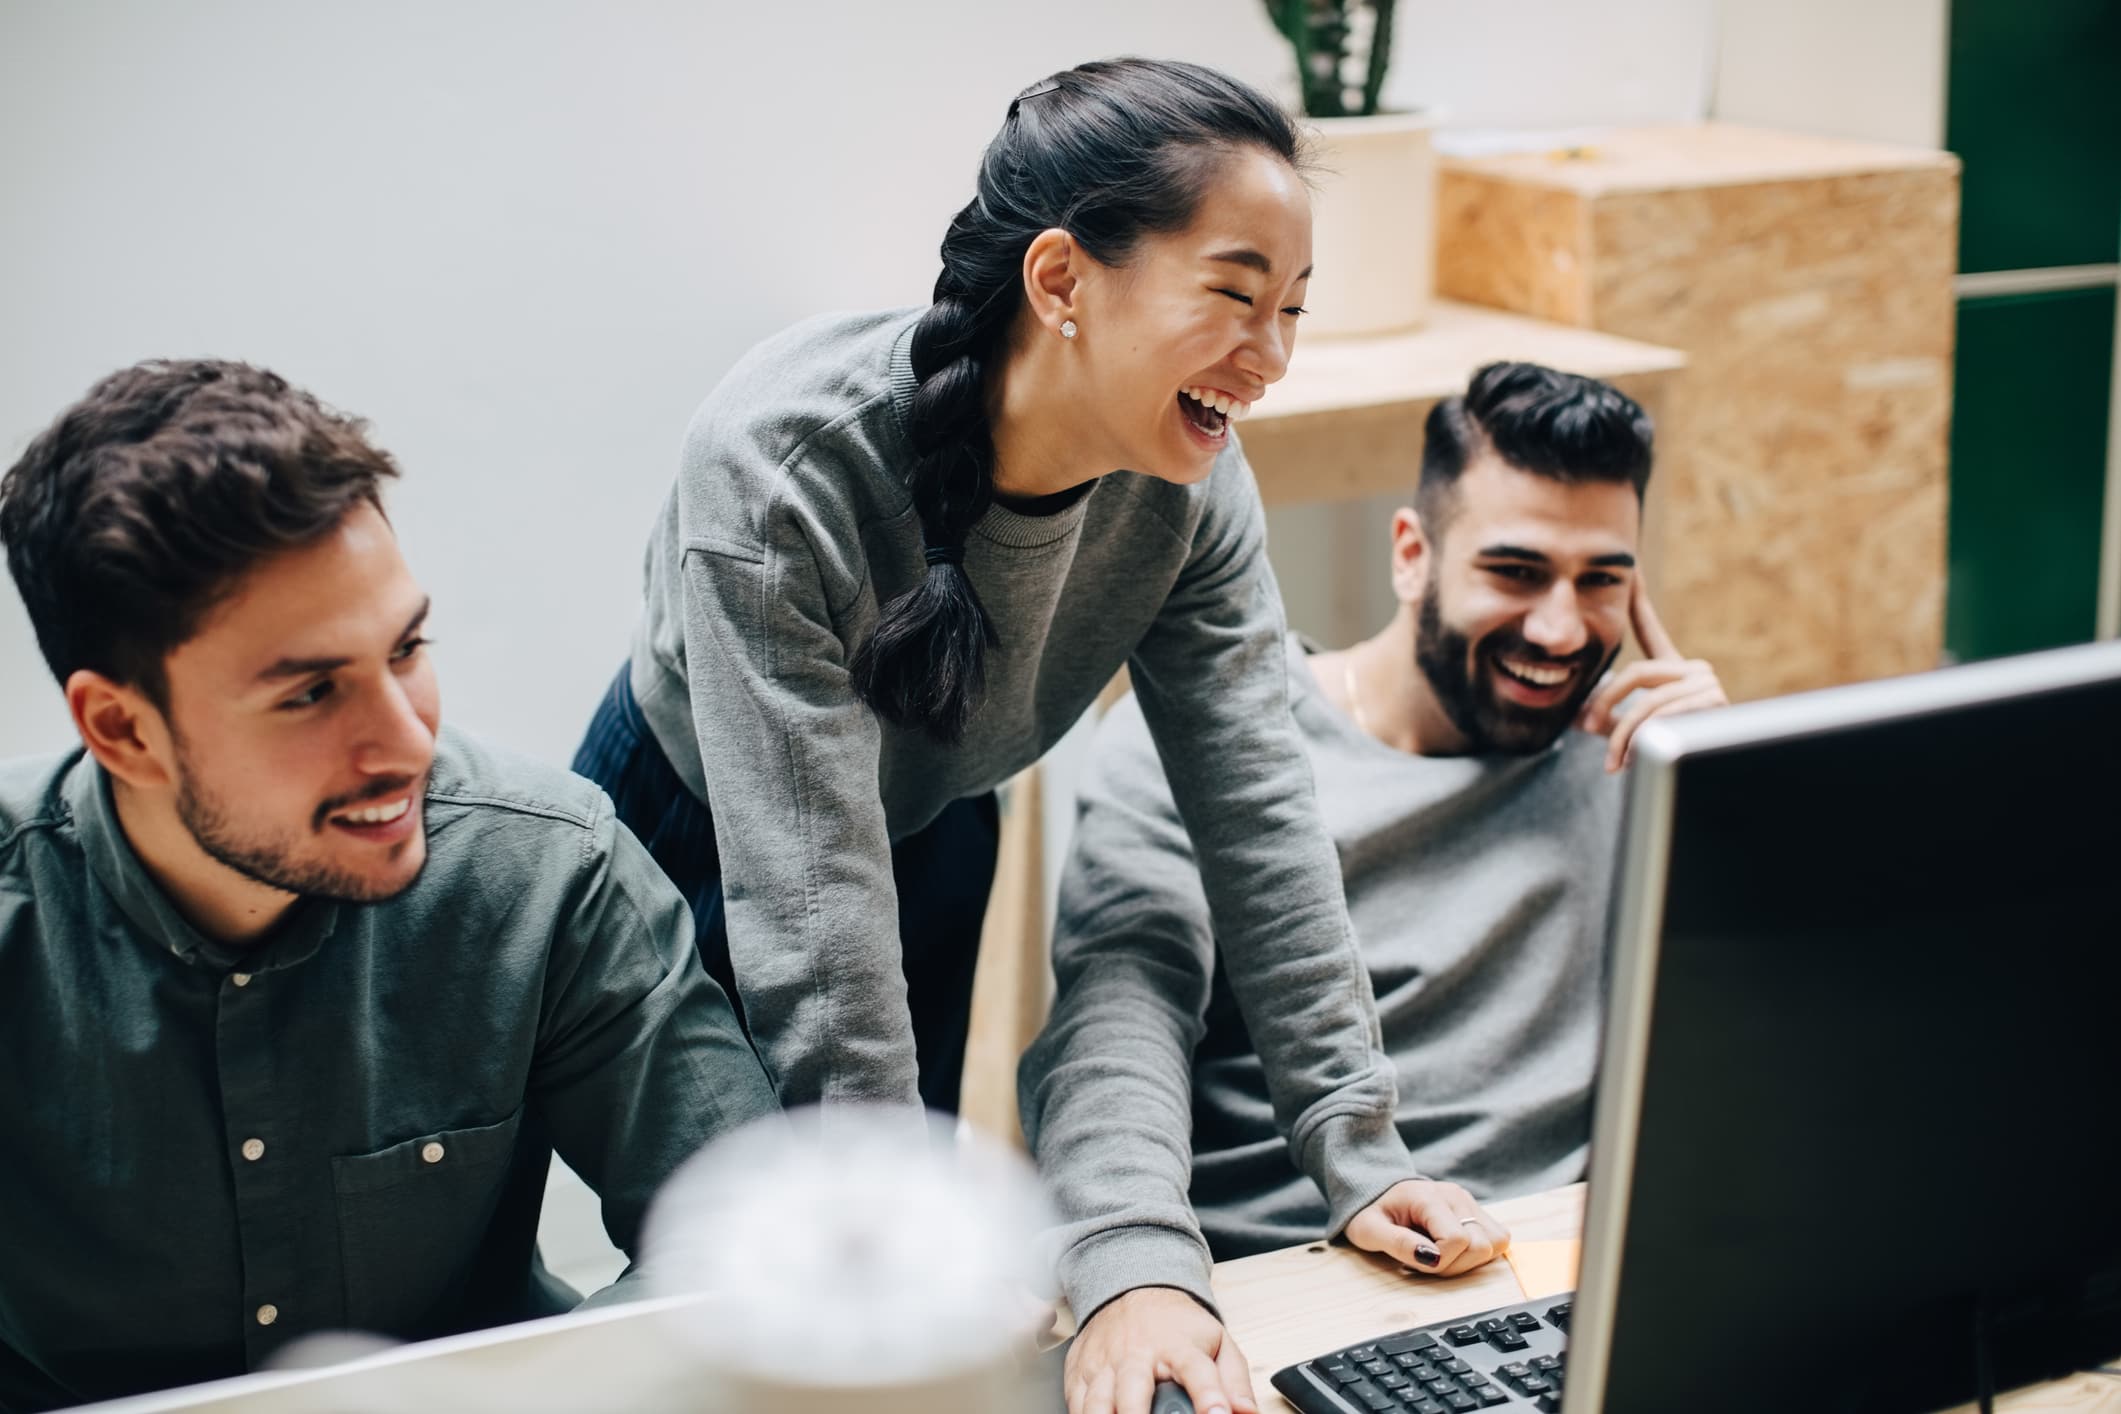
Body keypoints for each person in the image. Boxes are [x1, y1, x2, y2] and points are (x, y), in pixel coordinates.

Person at [0, 361, 780, 1412]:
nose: (406, 743)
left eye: (406, 648)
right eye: (313, 691)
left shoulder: (545, 869)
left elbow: (740, 1246)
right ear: (122, 729)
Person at [1021, 363, 1729, 1414]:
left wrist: (1733, 799)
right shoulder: (1211, 748)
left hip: (1567, 1293)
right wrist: (1135, 1271)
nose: (1560, 629)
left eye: (1601, 580)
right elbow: (1114, 1030)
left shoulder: (1636, 755)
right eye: (1516, 570)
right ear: (1412, 554)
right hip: (1286, 1301)